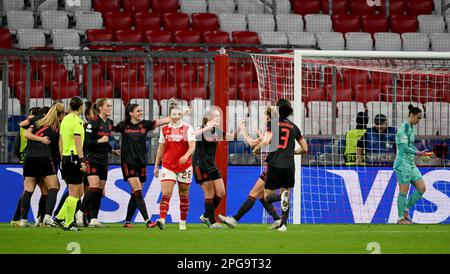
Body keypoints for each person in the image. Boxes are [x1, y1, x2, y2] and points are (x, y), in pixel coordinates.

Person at [220, 106, 300, 229]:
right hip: (282, 165)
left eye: (264, 114)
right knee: (263, 196)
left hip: (272, 167)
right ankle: (277, 219)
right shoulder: (279, 127)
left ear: (268, 116)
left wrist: (243, 130)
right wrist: (258, 134)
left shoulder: (271, 126)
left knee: (254, 193)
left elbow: (253, 143)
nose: (262, 117)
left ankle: (234, 219)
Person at [117, 102, 177, 228]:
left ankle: (127, 221)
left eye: (141, 111)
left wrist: (177, 112)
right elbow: (106, 130)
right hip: (128, 162)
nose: (141, 113)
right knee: (138, 190)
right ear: (131, 113)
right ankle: (147, 220)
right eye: (138, 111)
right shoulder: (123, 126)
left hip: (141, 163)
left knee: (135, 192)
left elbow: (165, 120)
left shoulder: (145, 124)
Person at [252, 99, 307, 232]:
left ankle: (281, 198)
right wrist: (293, 152)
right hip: (289, 165)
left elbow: (265, 141)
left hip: (274, 164)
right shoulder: (294, 127)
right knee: (286, 193)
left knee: (267, 197)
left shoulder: (273, 124)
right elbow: (305, 148)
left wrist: (256, 149)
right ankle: (283, 225)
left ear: (278, 109)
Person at [19, 102, 65, 228]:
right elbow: (59, 146)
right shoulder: (57, 126)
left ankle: (23, 220)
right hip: (45, 158)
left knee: (28, 190)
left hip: (29, 158)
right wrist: (42, 140)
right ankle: (47, 217)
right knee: (54, 187)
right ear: (60, 115)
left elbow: (22, 125)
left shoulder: (38, 119)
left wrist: (32, 122)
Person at [75, 99, 119, 228]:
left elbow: (105, 142)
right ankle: (80, 212)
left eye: (111, 106)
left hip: (104, 160)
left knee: (99, 191)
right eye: (107, 106)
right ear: (100, 108)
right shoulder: (92, 123)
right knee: (93, 187)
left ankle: (94, 219)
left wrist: (112, 150)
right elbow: (86, 142)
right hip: (92, 159)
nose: (110, 108)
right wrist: (100, 141)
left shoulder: (110, 123)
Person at [193, 108, 238, 229]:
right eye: (216, 116)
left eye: (219, 116)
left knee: (221, 192)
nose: (219, 118)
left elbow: (230, 137)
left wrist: (239, 128)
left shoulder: (216, 130)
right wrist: (208, 126)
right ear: (208, 117)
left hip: (211, 165)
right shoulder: (201, 128)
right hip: (200, 164)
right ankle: (212, 223)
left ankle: (205, 216)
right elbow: (193, 135)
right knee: (209, 192)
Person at [154, 100, 196, 231]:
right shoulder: (164, 129)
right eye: (173, 114)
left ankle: (182, 221)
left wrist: (186, 155)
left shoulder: (188, 128)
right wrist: (156, 166)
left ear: (181, 115)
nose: (176, 116)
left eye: (178, 114)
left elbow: (192, 146)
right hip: (168, 165)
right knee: (166, 193)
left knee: (184, 195)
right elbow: (161, 149)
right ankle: (162, 219)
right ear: (170, 115)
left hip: (184, 166)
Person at [394, 104, 434, 224]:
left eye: (420, 118)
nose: (419, 121)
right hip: (402, 164)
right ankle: (400, 218)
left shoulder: (411, 128)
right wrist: (418, 153)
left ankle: (406, 210)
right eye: (418, 118)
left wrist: (421, 153)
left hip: (411, 164)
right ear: (411, 115)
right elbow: (404, 147)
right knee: (403, 192)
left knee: (422, 188)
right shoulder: (403, 129)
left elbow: (410, 145)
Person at [53, 97, 86, 231]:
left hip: (66, 157)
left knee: (78, 192)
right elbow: (78, 142)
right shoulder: (77, 121)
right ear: (81, 107)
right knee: (74, 193)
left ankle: (60, 217)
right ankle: (68, 222)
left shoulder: (65, 119)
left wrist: (61, 158)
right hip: (74, 158)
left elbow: (60, 141)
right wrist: (82, 160)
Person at [10, 107, 43, 227]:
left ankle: (18, 218)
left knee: (28, 190)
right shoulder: (33, 126)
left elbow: (16, 145)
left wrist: (21, 157)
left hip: (27, 159)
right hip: (33, 159)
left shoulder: (24, 126)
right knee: (31, 190)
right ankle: (20, 218)